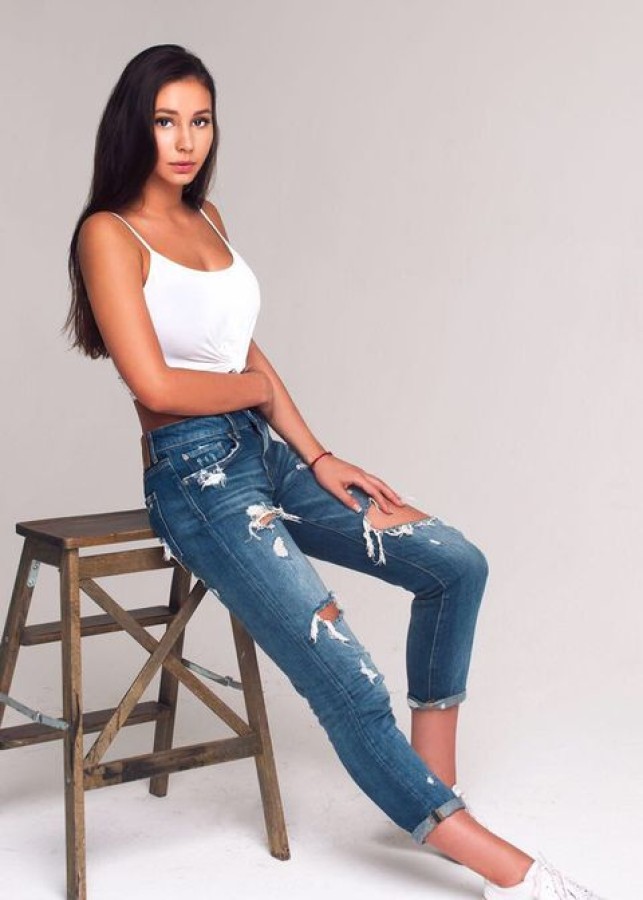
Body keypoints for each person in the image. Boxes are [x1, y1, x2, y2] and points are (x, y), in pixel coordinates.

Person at [63, 43, 605, 900]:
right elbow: (156, 385)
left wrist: (315, 453)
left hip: (264, 453)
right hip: (196, 480)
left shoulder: (209, 219)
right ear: (135, 125)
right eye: (166, 121)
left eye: (200, 121)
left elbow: (243, 352)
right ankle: (507, 872)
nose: (186, 140)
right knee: (345, 675)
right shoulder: (108, 233)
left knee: (453, 563)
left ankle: (432, 795)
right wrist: (250, 392)